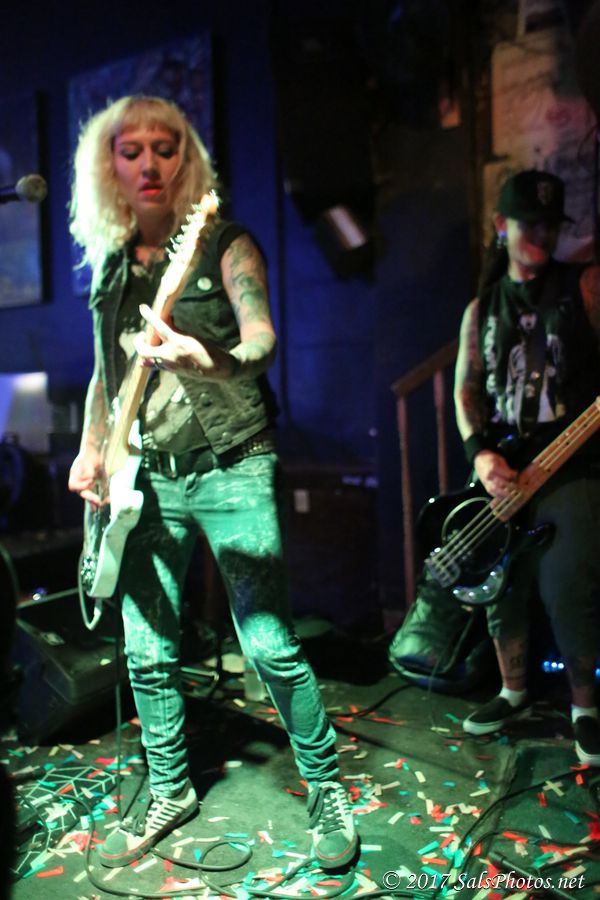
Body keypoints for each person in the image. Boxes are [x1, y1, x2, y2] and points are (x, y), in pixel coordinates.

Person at [68, 95, 358, 870]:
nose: (149, 164)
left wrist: (211, 359)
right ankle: (170, 788)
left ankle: (327, 789)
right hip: (149, 478)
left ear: (186, 158)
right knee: (147, 648)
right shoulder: (110, 271)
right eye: (132, 150)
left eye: (165, 148)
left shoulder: (224, 242)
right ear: (108, 165)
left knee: (268, 644)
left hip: (234, 463)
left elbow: (263, 340)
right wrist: (92, 449)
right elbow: (106, 374)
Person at [453, 169, 600, 763]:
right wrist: (480, 454)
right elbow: (466, 389)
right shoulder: (482, 308)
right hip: (503, 466)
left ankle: (586, 706)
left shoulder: (585, 286)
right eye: (528, 223)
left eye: (549, 224)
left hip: (574, 461)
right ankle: (512, 691)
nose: (540, 233)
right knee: (498, 580)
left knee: (568, 579)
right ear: (502, 226)